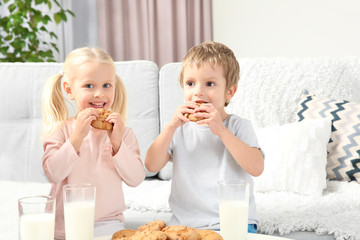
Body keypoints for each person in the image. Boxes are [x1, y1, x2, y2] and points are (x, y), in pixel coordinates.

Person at [145, 41, 264, 233]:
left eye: (210, 84)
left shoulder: (237, 126)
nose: (198, 91)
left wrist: (221, 131)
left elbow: (256, 168)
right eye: (190, 83)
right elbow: (151, 165)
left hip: (233, 223)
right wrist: (170, 127)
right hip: (184, 225)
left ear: (229, 92)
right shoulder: (178, 129)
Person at [41, 47, 145, 239]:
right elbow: (53, 173)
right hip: (66, 226)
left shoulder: (123, 133)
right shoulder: (61, 130)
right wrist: (76, 138)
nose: (99, 93)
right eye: (89, 86)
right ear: (69, 90)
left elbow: (136, 178)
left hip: (109, 223)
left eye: (107, 85)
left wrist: (117, 145)